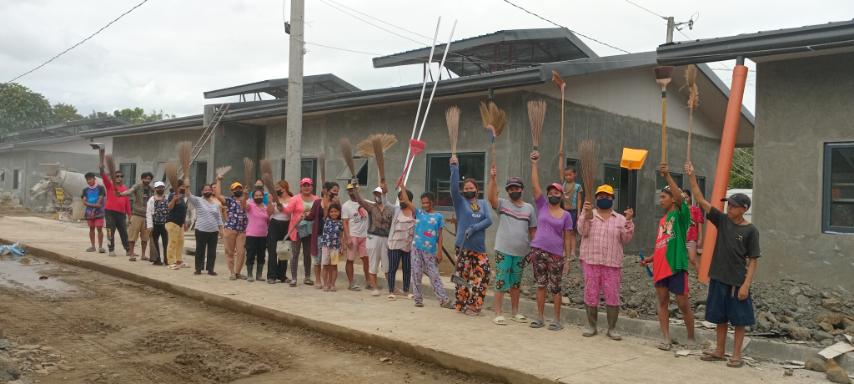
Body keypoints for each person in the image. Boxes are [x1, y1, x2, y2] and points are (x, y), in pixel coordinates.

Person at [687, 162, 760, 368]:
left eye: (734, 205)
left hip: (737, 281)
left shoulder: (751, 231)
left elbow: (753, 260)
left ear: (744, 209)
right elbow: (700, 200)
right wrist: (692, 176)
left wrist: (746, 285)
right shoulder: (722, 220)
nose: (729, 208)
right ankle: (720, 351)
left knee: (739, 320)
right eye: (728, 204)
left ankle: (736, 355)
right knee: (720, 317)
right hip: (718, 277)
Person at [641, 163, 696, 350]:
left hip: (677, 265)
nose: (660, 200)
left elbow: (681, 198)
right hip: (660, 267)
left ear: (673, 200)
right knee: (662, 301)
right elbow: (661, 245)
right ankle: (666, 338)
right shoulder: (663, 220)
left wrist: (667, 176)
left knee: (682, 303)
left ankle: (691, 337)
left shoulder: (682, 215)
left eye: (663, 196)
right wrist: (650, 258)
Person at [578, 184, 634, 340]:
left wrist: (629, 221)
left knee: (612, 295)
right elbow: (582, 231)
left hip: (612, 263)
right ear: (596, 198)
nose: (604, 199)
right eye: (601, 196)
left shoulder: (621, 219)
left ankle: (612, 328)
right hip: (591, 261)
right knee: (591, 293)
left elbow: (626, 239)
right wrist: (586, 216)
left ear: (613, 199)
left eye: (607, 196)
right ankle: (591, 326)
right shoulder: (589, 214)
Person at [527, 151, 573, 330]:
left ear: (561, 195)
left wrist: (568, 259)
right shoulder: (542, 206)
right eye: (550, 192)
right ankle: (539, 318)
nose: (553, 194)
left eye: (556, 192)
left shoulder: (567, 215)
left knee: (555, 287)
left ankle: (556, 320)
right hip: (538, 250)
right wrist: (534, 164)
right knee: (540, 285)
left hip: (556, 254)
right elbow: (535, 185)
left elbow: (568, 238)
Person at [487, 167, 536, 325]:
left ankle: (515, 312)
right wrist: (493, 179)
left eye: (517, 188)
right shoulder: (503, 204)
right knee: (501, 281)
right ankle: (498, 313)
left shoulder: (529, 208)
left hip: (521, 252)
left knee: (515, 283)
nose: (514, 190)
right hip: (503, 249)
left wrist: (533, 250)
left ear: (522, 189)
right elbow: (491, 199)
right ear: (507, 191)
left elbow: (533, 231)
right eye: (511, 188)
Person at [449, 155, 493, 315]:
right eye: (465, 188)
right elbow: (453, 189)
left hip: (479, 249)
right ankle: (461, 304)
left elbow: (489, 220)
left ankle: (475, 305)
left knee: (483, 274)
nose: (468, 190)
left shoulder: (483, 204)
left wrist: (474, 228)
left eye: (471, 188)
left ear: (477, 190)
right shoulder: (460, 202)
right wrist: (454, 168)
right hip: (463, 247)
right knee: (462, 277)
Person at [400, 185, 452, 308]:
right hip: (416, 248)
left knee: (434, 275)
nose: (425, 205)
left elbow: (440, 236)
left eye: (427, 203)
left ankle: (443, 300)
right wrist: (402, 187)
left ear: (432, 202)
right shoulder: (418, 212)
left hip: (430, 251)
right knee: (416, 273)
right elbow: (406, 201)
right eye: (423, 203)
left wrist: (439, 252)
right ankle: (418, 300)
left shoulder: (438, 217)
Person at [348, 184, 394, 297]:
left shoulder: (391, 208)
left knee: (387, 264)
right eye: (375, 194)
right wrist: (355, 189)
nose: (377, 196)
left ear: (383, 195)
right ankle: (374, 287)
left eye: (379, 194)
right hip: (373, 238)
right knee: (373, 262)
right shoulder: (371, 207)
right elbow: (360, 200)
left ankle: (391, 288)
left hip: (386, 239)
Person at [282, 178, 319, 287]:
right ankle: (294, 278)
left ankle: (307, 277)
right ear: (301, 187)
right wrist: (279, 204)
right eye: (304, 185)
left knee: (307, 254)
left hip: (310, 230)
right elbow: (287, 211)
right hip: (297, 230)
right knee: (295, 254)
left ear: (312, 187)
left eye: (308, 185)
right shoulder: (295, 199)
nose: (306, 187)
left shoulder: (317, 199)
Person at [305, 181, 340, 289]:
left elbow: (340, 218)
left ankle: (330, 282)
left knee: (330, 261)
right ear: (327, 190)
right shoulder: (317, 202)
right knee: (317, 259)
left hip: (332, 238)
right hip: (318, 234)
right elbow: (311, 216)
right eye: (334, 191)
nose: (335, 193)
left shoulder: (336, 204)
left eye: (337, 192)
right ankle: (318, 280)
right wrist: (304, 215)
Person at [186, 182, 224, 276]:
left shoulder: (215, 204)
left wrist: (221, 230)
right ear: (202, 191)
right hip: (201, 230)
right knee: (200, 250)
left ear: (212, 191)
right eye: (205, 190)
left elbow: (219, 217)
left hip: (214, 231)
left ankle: (210, 269)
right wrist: (187, 186)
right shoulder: (198, 201)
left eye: (209, 190)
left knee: (212, 251)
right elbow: (189, 195)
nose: (207, 191)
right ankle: (198, 268)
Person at [99, 150, 131, 258]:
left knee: (124, 232)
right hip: (110, 212)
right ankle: (111, 249)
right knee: (110, 231)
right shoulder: (109, 185)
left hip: (121, 214)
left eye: (121, 176)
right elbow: (103, 176)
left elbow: (127, 203)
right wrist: (101, 167)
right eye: (117, 176)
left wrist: (129, 215)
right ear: (114, 177)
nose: (119, 178)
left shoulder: (125, 188)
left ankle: (127, 249)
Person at [386, 188, 415, 300]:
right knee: (392, 268)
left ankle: (406, 291)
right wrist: (384, 191)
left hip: (408, 246)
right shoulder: (396, 210)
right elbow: (385, 202)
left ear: (409, 200)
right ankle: (391, 290)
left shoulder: (414, 212)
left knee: (407, 269)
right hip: (394, 245)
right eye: (400, 199)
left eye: (403, 199)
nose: (401, 201)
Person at [216, 178, 248, 280]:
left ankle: (238, 272)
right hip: (230, 229)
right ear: (232, 191)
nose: (238, 190)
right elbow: (218, 195)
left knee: (241, 252)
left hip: (242, 230)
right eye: (235, 189)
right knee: (229, 251)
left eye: (240, 188)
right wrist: (219, 181)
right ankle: (232, 272)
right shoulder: (229, 201)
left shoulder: (247, 201)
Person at [342, 183, 369, 291]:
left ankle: (369, 282)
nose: (352, 191)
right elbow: (344, 222)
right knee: (350, 259)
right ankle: (351, 282)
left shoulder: (365, 203)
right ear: (348, 192)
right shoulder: (346, 206)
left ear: (358, 189)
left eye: (354, 189)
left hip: (365, 236)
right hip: (353, 235)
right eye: (350, 190)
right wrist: (347, 238)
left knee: (366, 259)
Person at [244, 187, 275, 282]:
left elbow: (270, 213)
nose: (258, 197)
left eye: (260, 195)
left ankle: (259, 275)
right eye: (256, 195)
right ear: (253, 197)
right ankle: (250, 274)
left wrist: (270, 201)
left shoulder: (266, 207)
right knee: (250, 255)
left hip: (263, 235)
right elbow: (243, 206)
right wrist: (245, 195)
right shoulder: (250, 205)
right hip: (251, 235)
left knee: (261, 255)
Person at [267, 180, 293, 284]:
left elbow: (292, 214)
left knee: (284, 251)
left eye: (279, 187)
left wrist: (283, 209)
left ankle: (282, 275)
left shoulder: (292, 199)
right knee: (272, 251)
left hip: (287, 225)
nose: (277, 189)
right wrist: (269, 201)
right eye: (276, 188)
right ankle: (271, 276)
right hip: (274, 224)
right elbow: (269, 213)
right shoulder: (274, 198)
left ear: (285, 188)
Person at [166, 180, 191, 270]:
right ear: (178, 187)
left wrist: (184, 223)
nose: (184, 188)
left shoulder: (183, 197)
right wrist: (173, 200)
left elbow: (183, 211)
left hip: (180, 224)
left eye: (185, 187)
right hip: (172, 222)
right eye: (182, 186)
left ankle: (179, 260)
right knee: (172, 242)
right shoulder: (172, 195)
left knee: (180, 242)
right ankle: (171, 262)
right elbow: (169, 207)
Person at [319, 202, 344, 291]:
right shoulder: (326, 219)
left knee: (334, 266)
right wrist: (326, 193)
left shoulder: (341, 223)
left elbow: (341, 236)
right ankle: (325, 284)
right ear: (329, 212)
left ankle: (332, 284)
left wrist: (342, 246)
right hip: (325, 246)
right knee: (325, 265)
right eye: (332, 211)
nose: (334, 213)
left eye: (336, 211)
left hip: (335, 248)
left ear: (339, 212)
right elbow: (325, 207)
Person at [146, 181, 170, 265]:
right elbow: (148, 212)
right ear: (155, 189)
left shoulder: (167, 198)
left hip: (165, 224)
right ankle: (157, 259)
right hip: (155, 224)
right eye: (159, 188)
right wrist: (149, 226)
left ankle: (167, 259)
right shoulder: (151, 199)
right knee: (155, 242)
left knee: (166, 243)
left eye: (162, 187)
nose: (160, 189)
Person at [562, 167, 583, 260]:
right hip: (564, 210)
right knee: (564, 232)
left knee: (573, 232)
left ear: (575, 175)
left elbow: (579, 200)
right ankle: (564, 251)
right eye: (566, 175)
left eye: (570, 175)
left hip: (573, 211)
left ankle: (573, 252)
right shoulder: (563, 185)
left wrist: (579, 212)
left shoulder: (578, 186)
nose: (568, 177)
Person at [81, 172, 106, 253]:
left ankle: (101, 247)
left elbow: (99, 202)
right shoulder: (85, 190)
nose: (89, 181)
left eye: (90, 179)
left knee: (99, 228)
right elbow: (83, 202)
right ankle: (93, 246)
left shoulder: (100, 188)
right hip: (89, 213)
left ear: (94, 179)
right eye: (87, 180)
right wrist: (93, 206)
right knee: (91, 228)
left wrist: (90, 206)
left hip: (99, 212)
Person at [684, 189, 704, 271]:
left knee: (692, 259)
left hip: (691, 238)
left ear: (690, 198)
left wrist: (700, 238)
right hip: (680, 238)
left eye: (686, 197)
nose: (685, 199)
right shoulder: (678, 210)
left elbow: (699, 224)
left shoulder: (695, 210)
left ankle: (701, 275)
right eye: (683, 197)